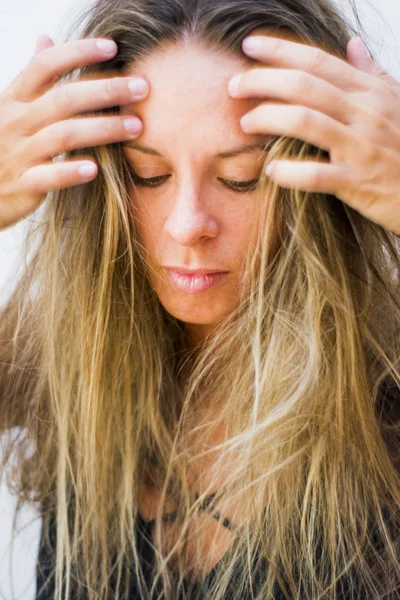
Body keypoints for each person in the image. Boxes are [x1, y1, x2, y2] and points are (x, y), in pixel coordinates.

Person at [0, 0, 399, 598]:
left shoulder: (385, 390)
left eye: (241, 177)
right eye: (147, 174)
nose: (188, 225)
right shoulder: (59, 355)